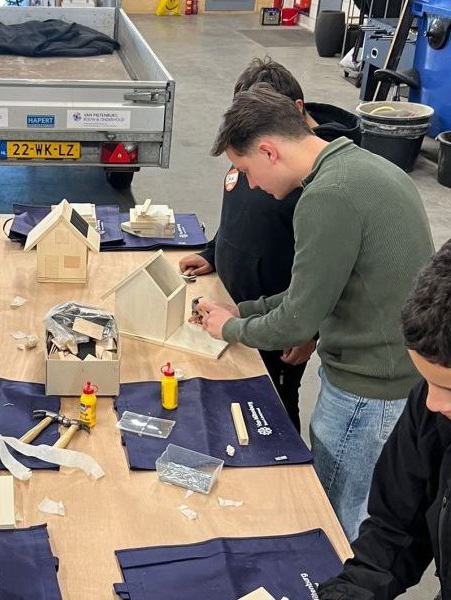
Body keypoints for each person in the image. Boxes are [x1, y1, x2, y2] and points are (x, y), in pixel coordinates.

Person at [197, 83, 434, 542]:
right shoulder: (364, 167)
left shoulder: (327, 197)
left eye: (245, 170)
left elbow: (299, 321)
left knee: (336, 525)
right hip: (393, 381)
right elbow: (311, 291)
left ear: (268, 151)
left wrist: (231, 327)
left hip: (367, 393)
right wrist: (239, 309)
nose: (249, 185)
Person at [179, 57, 362, 432]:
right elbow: (241, 216)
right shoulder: (257, 152)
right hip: (239, 308)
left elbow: (333, 272)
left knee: (274, 409)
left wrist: (309, 332)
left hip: (280, 327)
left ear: (290, 115)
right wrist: (213, 252)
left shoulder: (316, 185)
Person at [318, 240, 451, 600]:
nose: (434, 402)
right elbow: (395, 529)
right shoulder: (432, 405)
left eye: (450, 388)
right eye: (428, 381)